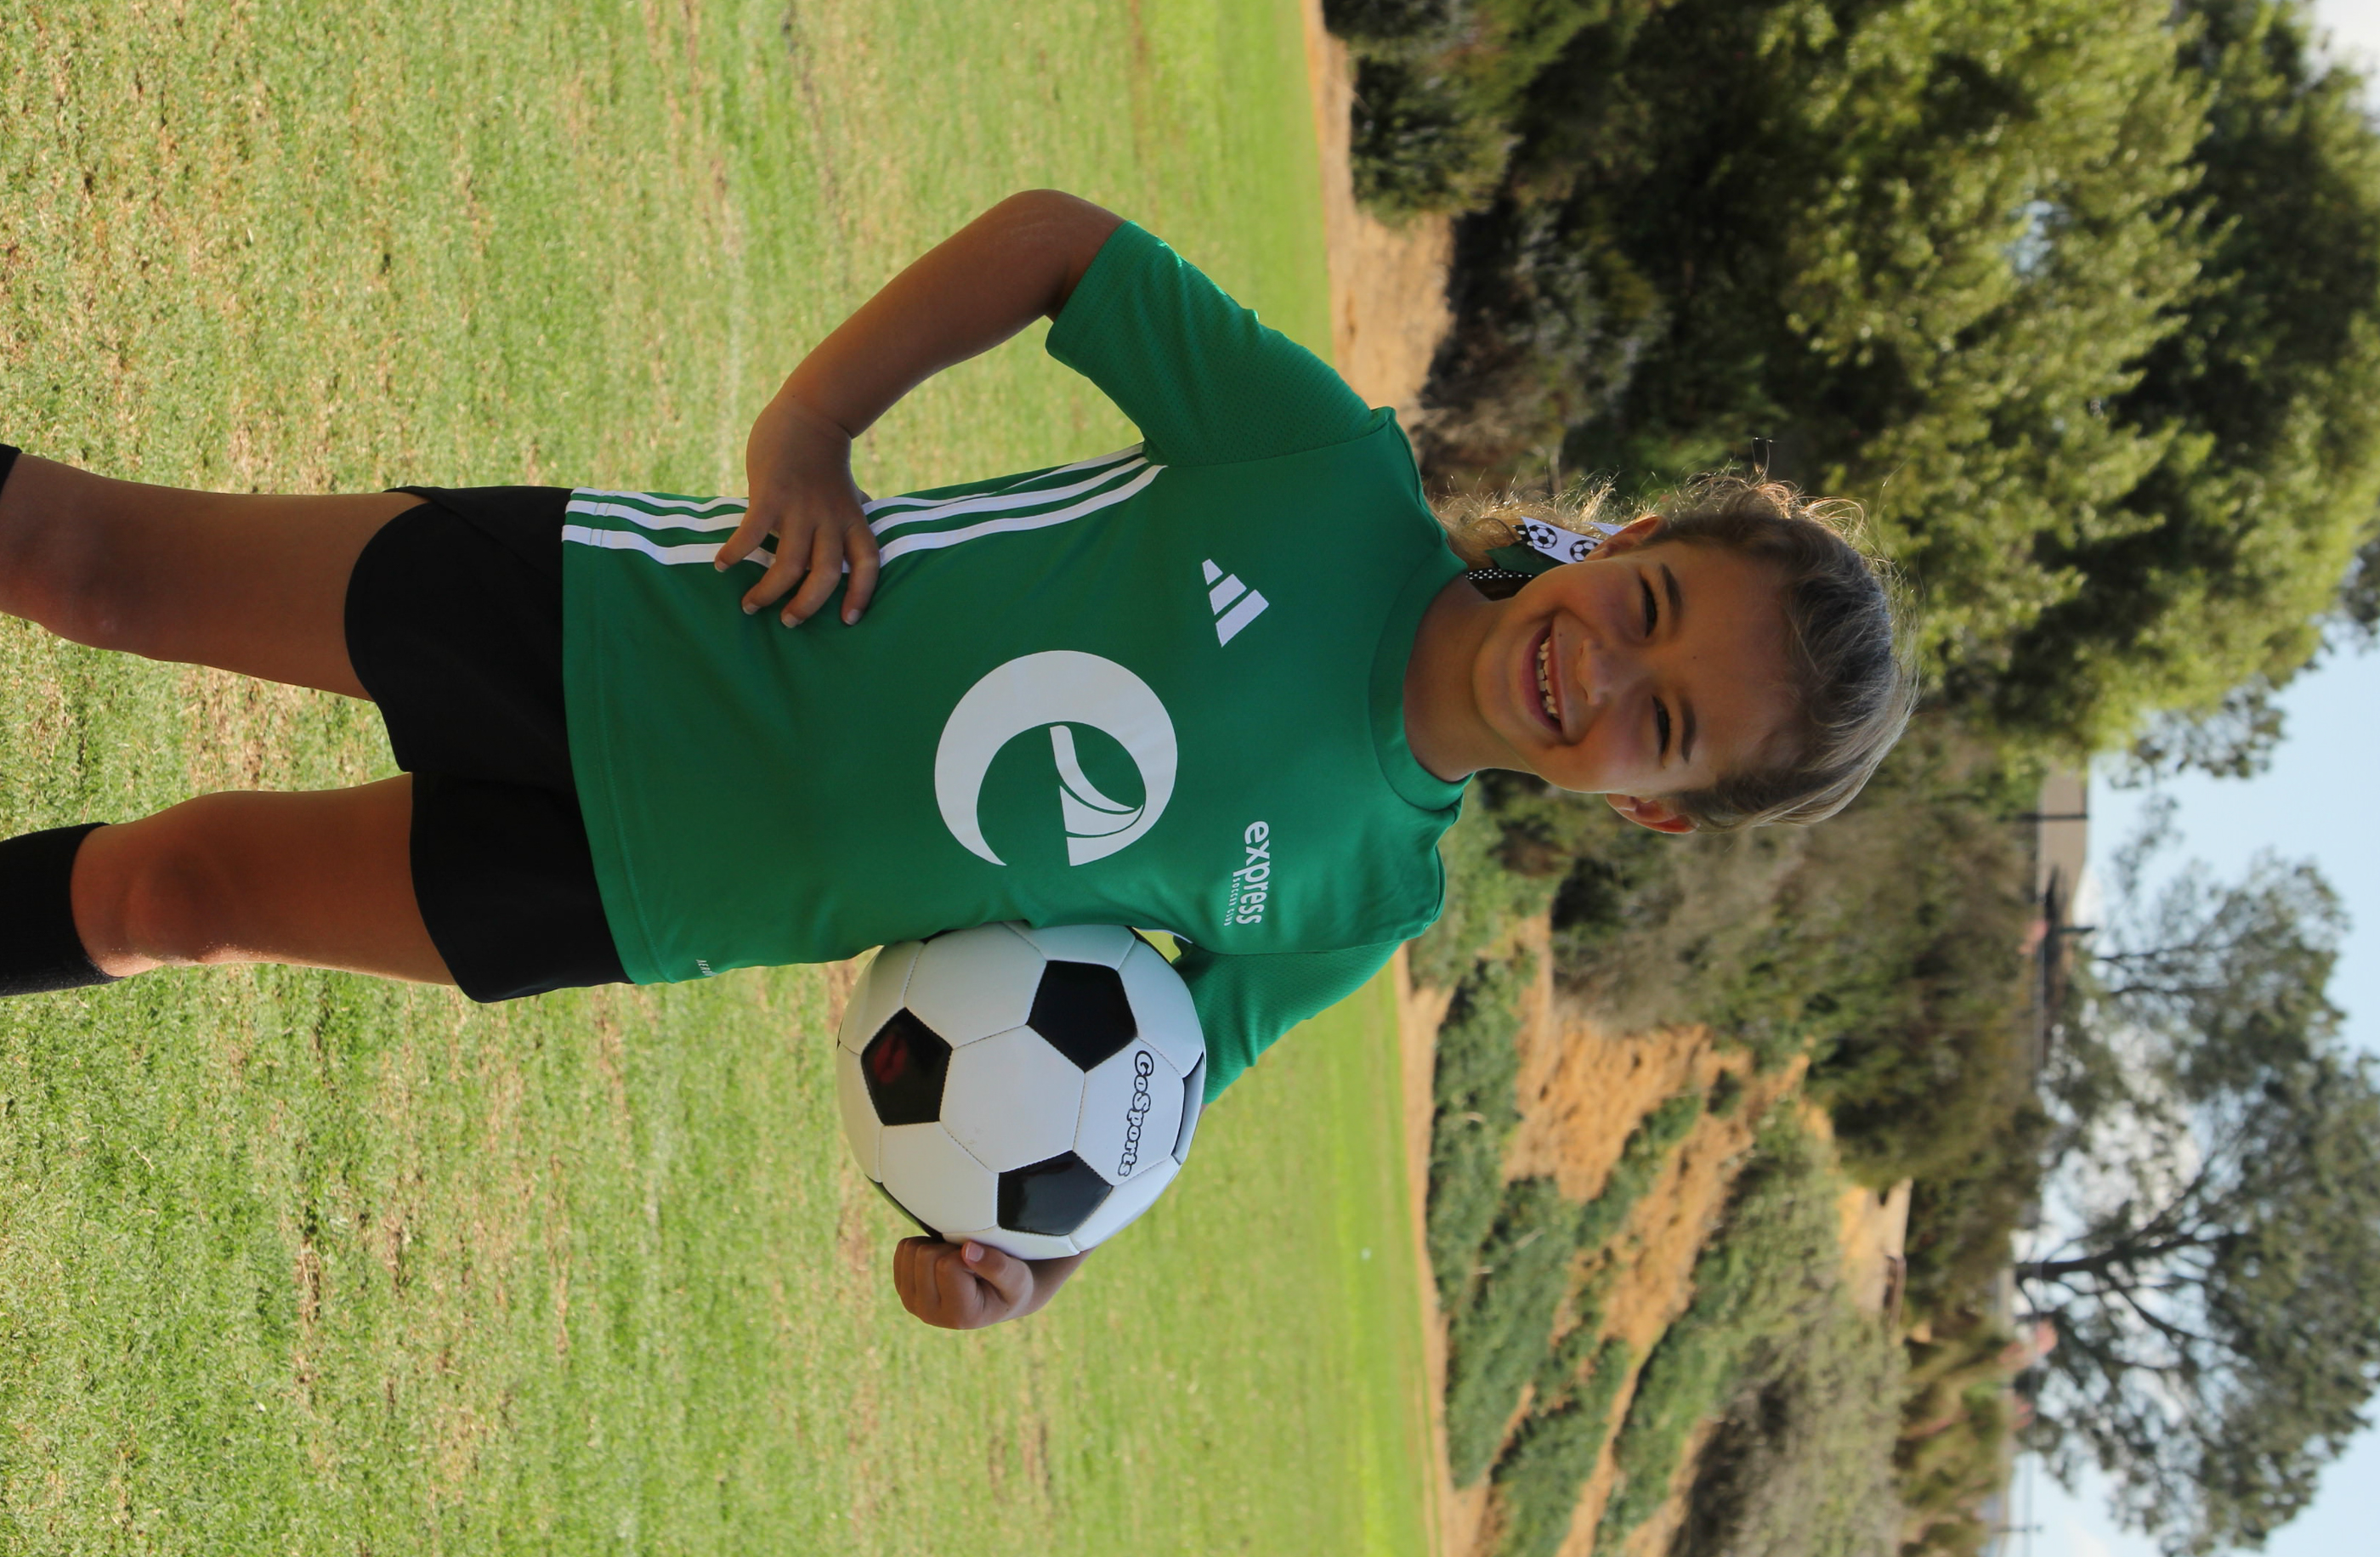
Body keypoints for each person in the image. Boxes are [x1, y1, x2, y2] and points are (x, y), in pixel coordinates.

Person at [0, 190, 1916, 1329]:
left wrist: (1012, 1268)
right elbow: (1056, 246)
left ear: (1653, 807)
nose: (1606, 668)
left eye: (1666, 722)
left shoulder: (1360, 903)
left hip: (656, 896)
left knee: (181, 895)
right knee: (94, 568)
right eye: (1650, 602)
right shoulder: (1325, 475)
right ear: (1624, 543)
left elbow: (1130, 1130)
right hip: (626, 621)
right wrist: (809, 431)